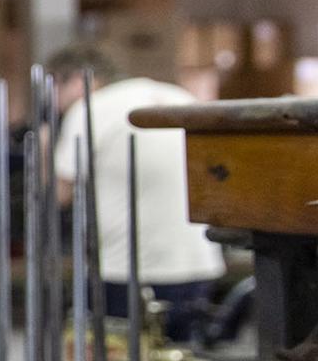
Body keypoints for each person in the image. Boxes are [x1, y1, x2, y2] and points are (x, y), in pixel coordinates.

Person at [48, 43, 224, 340]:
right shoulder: (178, 97)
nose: (54, 103)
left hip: (127, 272)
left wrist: (43, 149)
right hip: (199, 265)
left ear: (78, 80)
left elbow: (58, 195)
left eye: (54, 89)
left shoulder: (88, 110)